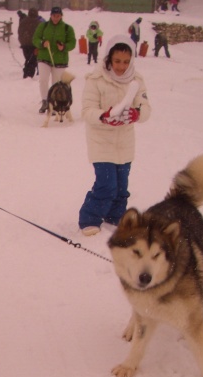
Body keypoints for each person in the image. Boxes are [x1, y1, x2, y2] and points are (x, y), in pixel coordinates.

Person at [78, 36, 151, 236]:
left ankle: (114, 215)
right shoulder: (96, 80)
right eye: (117, 61)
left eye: (126, 62)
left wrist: (136, 113)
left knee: (121, 185)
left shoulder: (137, 80)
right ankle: (90, 218)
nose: (121, 66)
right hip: (101, 141)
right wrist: (104, 116)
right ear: (109, 59)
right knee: (106, 184)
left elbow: (146, 108)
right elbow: (86, 111)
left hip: (124, 142)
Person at [32, 6, 76, 114]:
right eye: (53, 16)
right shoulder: (43, 26)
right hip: (44, 57)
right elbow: (35, 38)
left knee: (56, 83)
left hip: (60, 59)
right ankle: (45, 101)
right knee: (43, 79)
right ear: (50, 15)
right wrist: (42, 43)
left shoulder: (67, 28)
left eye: (58, 16)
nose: (55, 18)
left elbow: (72, 43)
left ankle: (54, 103)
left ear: (61, 16)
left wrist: (64, 47)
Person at [17, 8, 43, 79]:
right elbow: (41, 34)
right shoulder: (39, 23)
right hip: (34, 45)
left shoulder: (23, 21)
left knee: (28, 59)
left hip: (24, 45)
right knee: (32, 61)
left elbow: (20, 32)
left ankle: (27, 74)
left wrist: (21, 41)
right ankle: (28, 76)